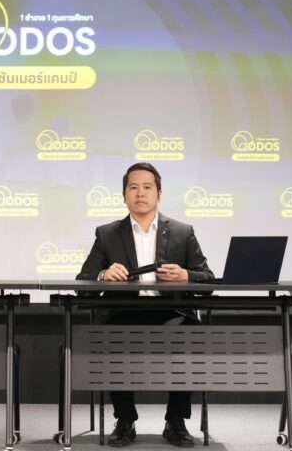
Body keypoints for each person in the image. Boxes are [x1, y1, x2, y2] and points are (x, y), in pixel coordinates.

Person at [76, 162, 214, 448]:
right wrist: (103, 275)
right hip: (124, 312)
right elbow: (83, 281)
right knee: (113, 334)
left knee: (189, 334)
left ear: (158, 193)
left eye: (147, 187)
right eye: (133, 187)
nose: (140, 193)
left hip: (171, 312)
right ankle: (125, 420)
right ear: (124, 195)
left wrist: (186, 276)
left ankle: (176, 421)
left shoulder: (182, 232)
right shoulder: (107, 234)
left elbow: (208, 279)